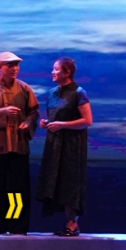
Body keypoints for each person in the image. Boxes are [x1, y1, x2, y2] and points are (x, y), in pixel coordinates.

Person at [0, 52, 39, 235]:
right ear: (0, 67)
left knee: (19, 188)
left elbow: (33, 112)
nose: (14, 69)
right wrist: (1, 111)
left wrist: (27, 123)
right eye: (10, 65)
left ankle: (18, 226)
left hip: (18, 144)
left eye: (16, 65)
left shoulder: (24, 88)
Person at [36, 57, 93, 236]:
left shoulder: (78, 92)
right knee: (56, 182)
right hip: (54, 144)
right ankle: (68, 222)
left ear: (67, 72)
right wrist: (46, 123)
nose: (53, 72)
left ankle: (72, 224)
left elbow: (87, 120)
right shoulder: (53, 93)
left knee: (70, 182)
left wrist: (62, 124)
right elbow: (56, 116)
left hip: (71, 146)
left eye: (56, 69)